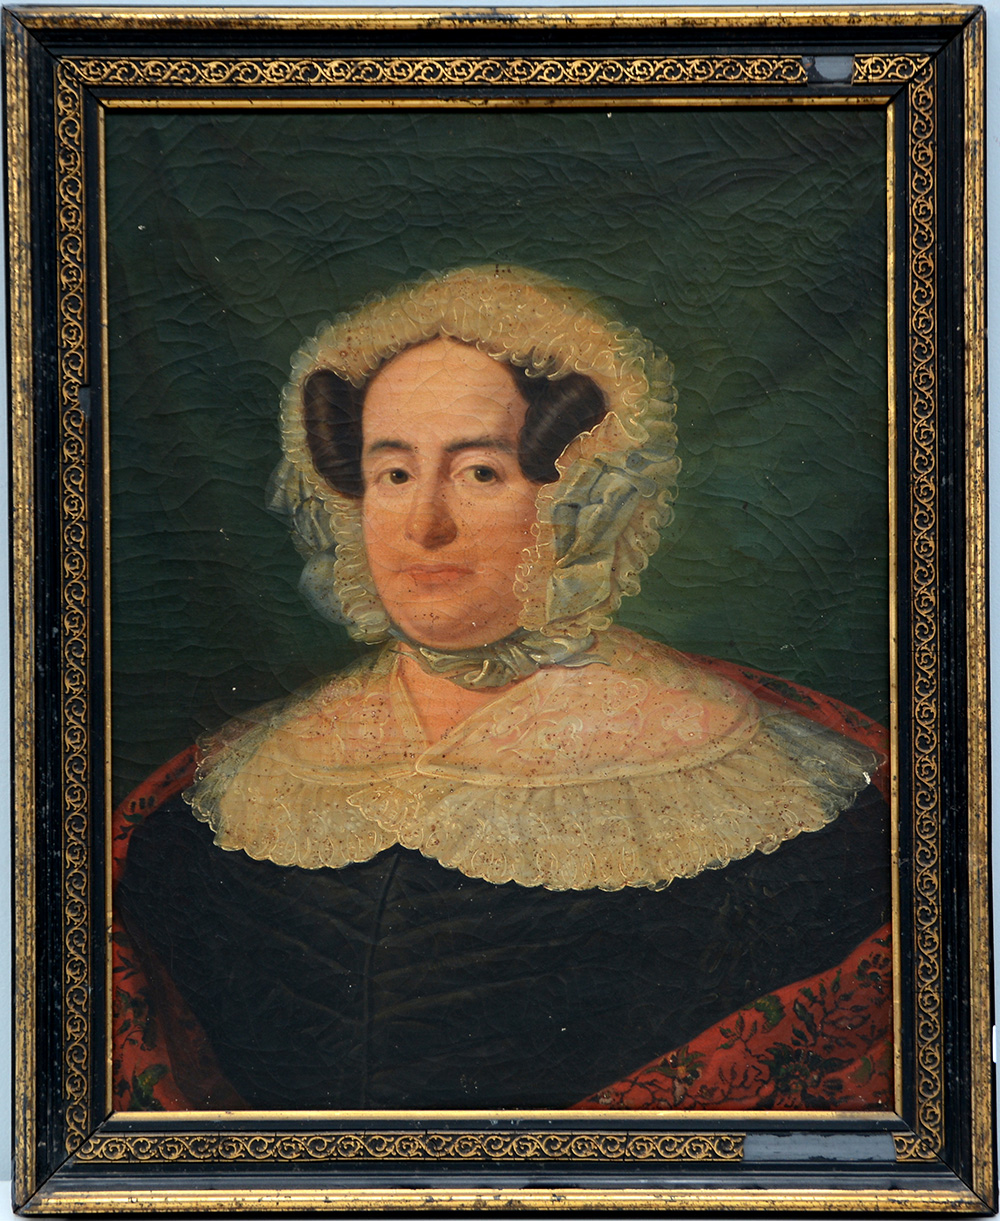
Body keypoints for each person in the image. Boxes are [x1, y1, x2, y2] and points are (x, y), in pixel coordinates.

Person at [114, 266, 892, 1112]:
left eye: (480, 472)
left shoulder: (770, 805)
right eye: (393, 474)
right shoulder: (212, 808)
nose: (425, 525)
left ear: (582, 496)